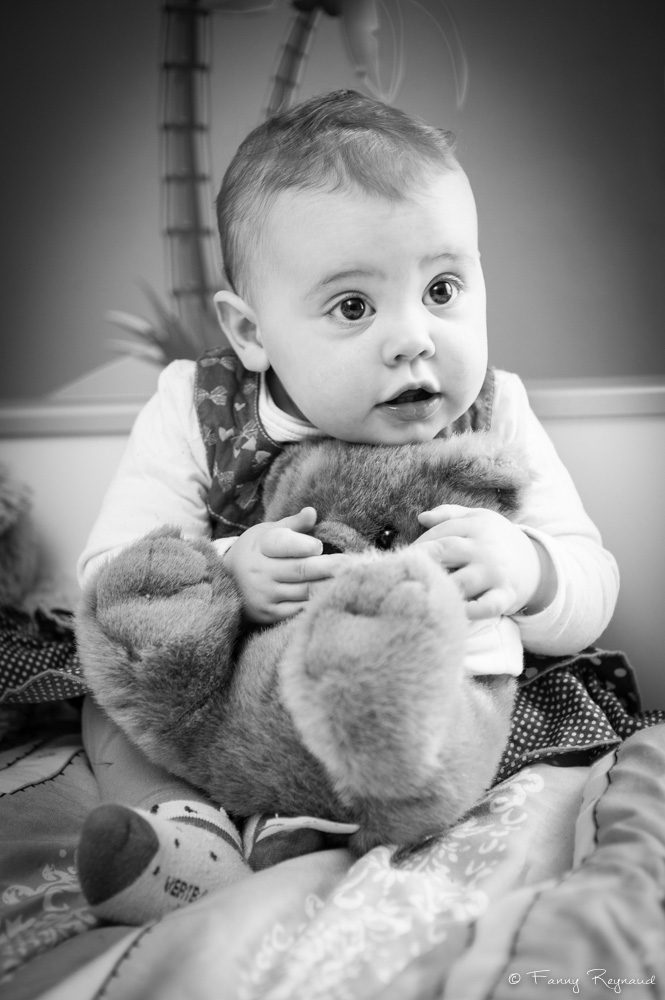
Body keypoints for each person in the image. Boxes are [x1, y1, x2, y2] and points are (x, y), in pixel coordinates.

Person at [75, 90, 619, 925]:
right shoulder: (199, 408)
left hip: (414, 704)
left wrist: (526, 573)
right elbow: (111, 585)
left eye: (442, 288)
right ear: (251, 333)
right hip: (234, 709)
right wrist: (226, 575)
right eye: (354, 307)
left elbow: (591, 584)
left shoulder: (495, 413)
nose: (413, 336)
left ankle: (328, 825)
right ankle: (183, 828)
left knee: (492, 722)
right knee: (104, 696)